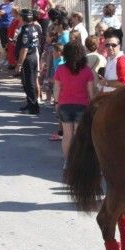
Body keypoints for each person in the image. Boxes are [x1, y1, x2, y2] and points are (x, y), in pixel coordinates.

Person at [53, 41, 94, 169]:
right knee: (78, 135)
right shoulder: (87, 71)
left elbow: (56, 89)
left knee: (67, 135)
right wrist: (92, 105)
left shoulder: (60, 69)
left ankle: (67, 161)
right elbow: (91, 91)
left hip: (65, 105)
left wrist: (56, 102)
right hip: (82, 105)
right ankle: (78, 160)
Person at [15, 9, 40, 114]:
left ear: (23, 18)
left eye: (20, 16)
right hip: (33, 56)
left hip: (28, 59)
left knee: (28, 83)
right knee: (31, 82)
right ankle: (30, 104)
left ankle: (33, 108)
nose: (18, 17)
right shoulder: (34, 27)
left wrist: (19, 64)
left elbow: (24, 49)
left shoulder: (26, 30)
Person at [0, 0, 15, 65]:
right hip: (1, 26)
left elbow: (0, 13)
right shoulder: (3, 5)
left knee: (8, 44)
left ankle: (9, 59)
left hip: (7, 27)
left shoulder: (10, 5)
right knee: (3, 44)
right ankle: (6, 58)